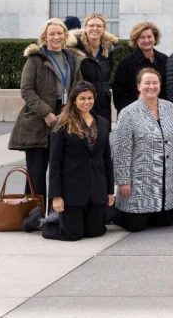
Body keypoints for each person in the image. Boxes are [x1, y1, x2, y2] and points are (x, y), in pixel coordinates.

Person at [9, 19, 83, 207]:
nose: (56, 37)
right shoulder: (35, 59)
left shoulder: (72, 58)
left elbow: (78, 88)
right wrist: (47, 113)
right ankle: (35, 214)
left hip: (65, 115)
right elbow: (26, 90)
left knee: (61, 168)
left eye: (60, 33)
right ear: (45, 37)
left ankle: (59, 212)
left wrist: (69, 110)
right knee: (36, 172)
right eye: (52, 34)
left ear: (66, 36)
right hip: (38, 120)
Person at [42, 82, 114, 241]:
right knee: (73, 234)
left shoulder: (102, 123)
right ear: (74, 100)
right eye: (82, 98)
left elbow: (106, 159)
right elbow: (54, 163)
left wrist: (109, 191)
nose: (87, 102)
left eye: (90, 98)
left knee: (96, 232)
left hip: (96, 189)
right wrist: (56, 196)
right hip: (71, 192)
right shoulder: (61, 124)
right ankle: (39, 223)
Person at [112, 68, 173, 232]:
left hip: (167, 182)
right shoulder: (128, 113)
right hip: (139, 183)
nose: (151, 86)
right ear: (138, 86)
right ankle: (112, 213)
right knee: (136, 226)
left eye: (155, 83)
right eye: (147, 83)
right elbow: (121, 150)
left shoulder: (170, 108)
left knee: (166, 222)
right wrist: (123, 181)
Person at [69, 13, 117, 122]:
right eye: (91, 25)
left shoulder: (108, 50)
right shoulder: (74, 49)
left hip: (103, 105)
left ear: (104, 29)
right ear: (85, 28)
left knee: (103, 136)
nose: (95, 29)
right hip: (82, 104)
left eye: (99, 26)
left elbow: (107, 76)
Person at [113, 21, 168, 114]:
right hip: (134, 114)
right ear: (136, 40)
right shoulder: (126, 62)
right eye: (142, 37)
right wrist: (130, 113)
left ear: (155, 38)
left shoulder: (164, 59)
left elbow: (168, 88)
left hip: (160, 113)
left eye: (149, 37)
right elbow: (119, 93)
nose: (146, 40)